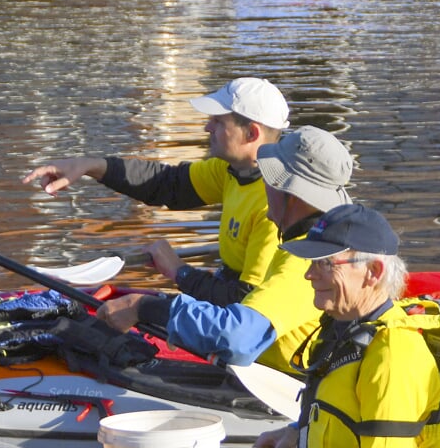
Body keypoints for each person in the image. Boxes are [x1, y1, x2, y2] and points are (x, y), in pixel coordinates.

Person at [217, 203, 440, 448]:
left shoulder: (395, 352)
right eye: (310, 262)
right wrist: (298, 432)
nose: (308, 274)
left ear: (373, 272)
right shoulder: (344, 324)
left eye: (324, 264)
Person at [93, 125, 354, 374]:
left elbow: (237, 338)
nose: (262, 187)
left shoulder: (308, 262)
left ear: (292, 195)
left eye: (269, 179)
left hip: (288, 387)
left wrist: (144, 308)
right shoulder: (316, 237)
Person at [24, 78, 289, 305]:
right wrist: (91, 166)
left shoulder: (274, 207)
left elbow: (246, 302)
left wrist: (179, 272)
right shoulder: (232, 170)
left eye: (218, 122)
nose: (207, 127)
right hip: (231, 299)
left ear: (252, 133)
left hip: (268, 348)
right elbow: (167, 184)